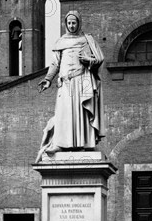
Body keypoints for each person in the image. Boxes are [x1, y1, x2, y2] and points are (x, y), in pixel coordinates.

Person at [36, 11, 106, 162]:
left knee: (80, 113)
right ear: (65, 24)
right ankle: (61, 144)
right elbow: (55, 63)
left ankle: (84, 143)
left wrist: (89, 59)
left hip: (81, 80)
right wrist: (48, 79)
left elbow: (100, 59)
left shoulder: (87, 40)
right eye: (69, 23)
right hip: (65, 84)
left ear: (78, 23)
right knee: (64, 114)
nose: (71, 25)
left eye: (74, 23)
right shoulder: (60, 42)